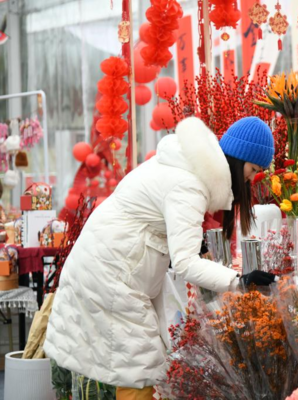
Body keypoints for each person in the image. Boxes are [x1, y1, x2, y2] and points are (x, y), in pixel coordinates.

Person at [45, 117, 277, 399]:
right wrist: (237, 281)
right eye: (252, 170)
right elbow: (185, 262)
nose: (250, 179)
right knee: (141, 366)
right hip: (112, 271)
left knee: (138, 362)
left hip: (112, 262)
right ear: (237, 159)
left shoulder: (184, 166)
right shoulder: (189, 184)